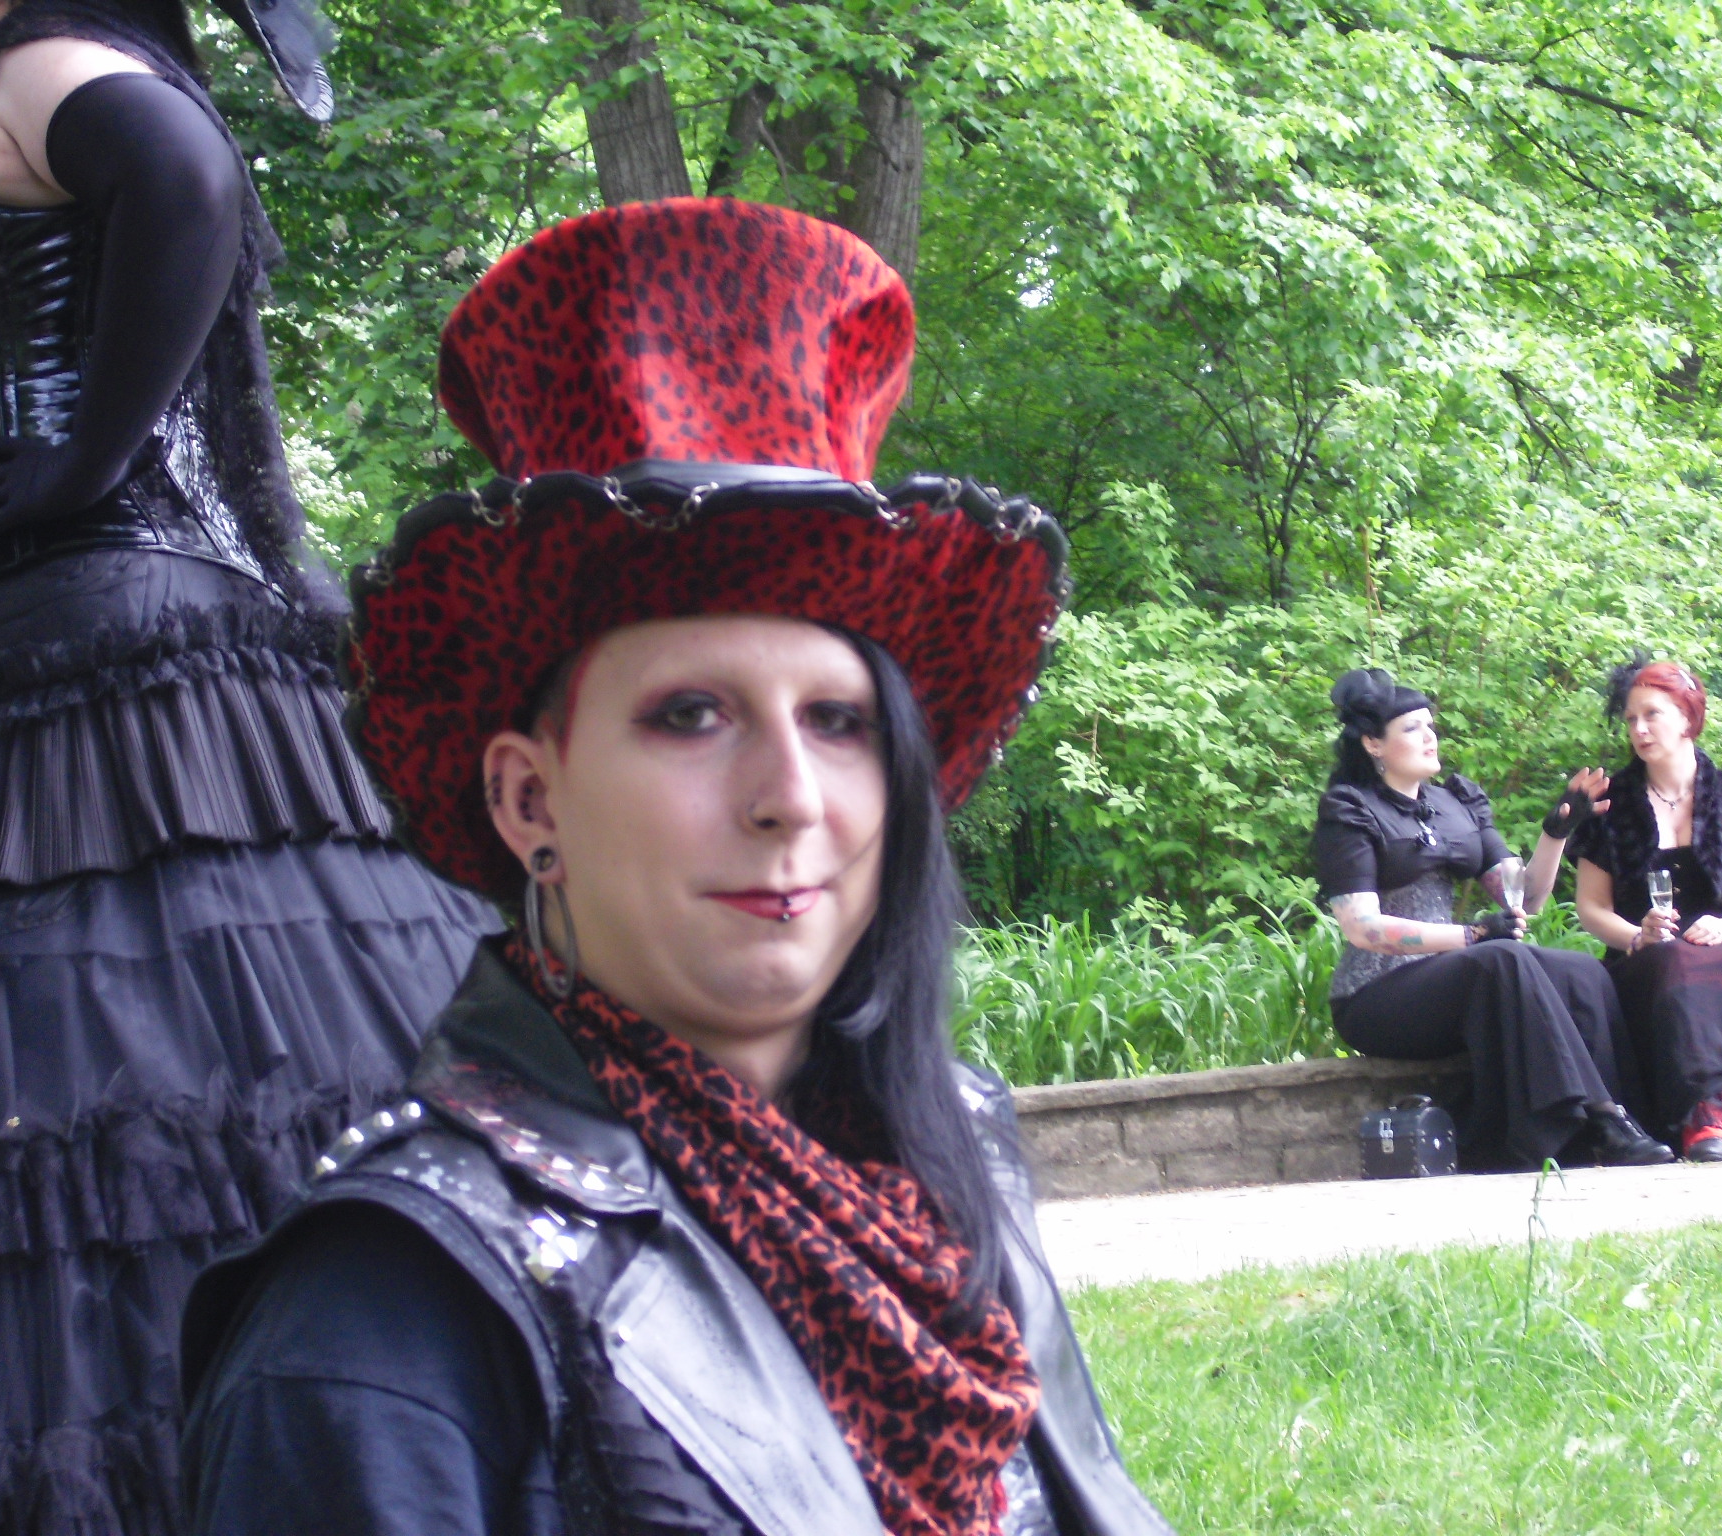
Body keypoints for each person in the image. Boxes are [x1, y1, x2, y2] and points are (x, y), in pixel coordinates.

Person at [177, 197, 1173, 1536]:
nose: (790, 799)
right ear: (529, 799)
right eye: (691, 716)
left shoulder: (945, 1162)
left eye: (840, 722)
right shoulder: (385, 1315)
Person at [0, 0, 494, 1526]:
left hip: (96, 676)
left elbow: (184, 180)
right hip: (14, 670)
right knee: (137, 1113)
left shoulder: (52, 61)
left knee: (105, 1105)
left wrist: (86, 462)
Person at [1313, 668, 1670, 1170]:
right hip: (1375, 996)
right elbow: (1363, 929)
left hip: (1451, 980)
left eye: (1431, 725)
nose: (1430, 736)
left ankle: (1631, 1116)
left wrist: (1557, 831)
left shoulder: (1455, 802)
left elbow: (1526, 898)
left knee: (1580, 970)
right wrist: (1473, 935)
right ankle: (1594, 1122)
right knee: (1501, 957)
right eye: (1412, 728)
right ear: (1373, 743)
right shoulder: (1350, 810)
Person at [1569, 661, 1722, 1160]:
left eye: (1651, 715)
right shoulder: (1610, 806)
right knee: (1677, 958)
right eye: (1631, 718)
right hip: (1643, 960)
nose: (1639, 729)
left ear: (1687, 717)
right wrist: (1637, 935)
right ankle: (1707, 1113)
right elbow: (1592, 908)